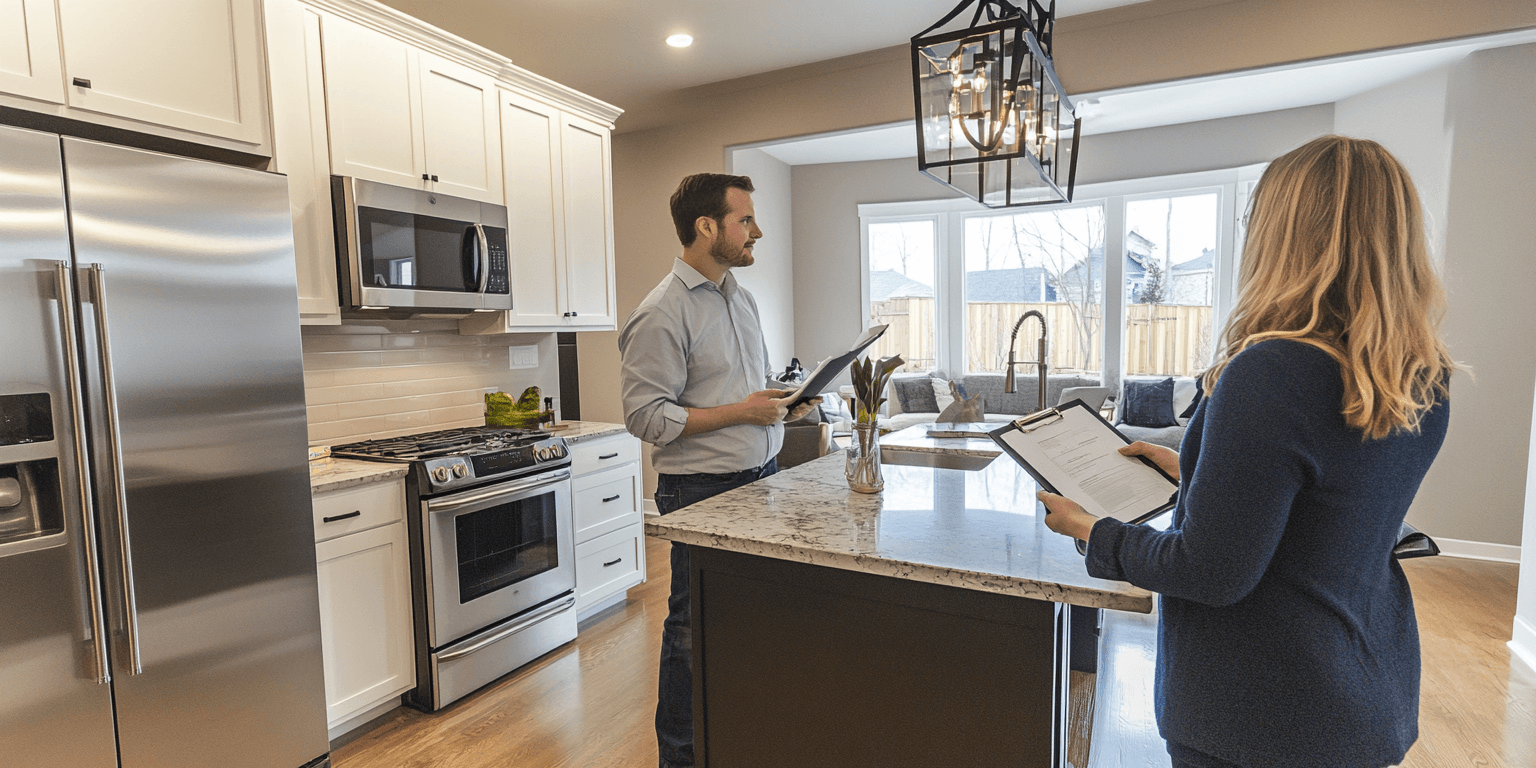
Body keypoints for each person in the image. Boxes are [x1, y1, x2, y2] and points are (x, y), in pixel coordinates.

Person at [1039, 135, 1459, 768]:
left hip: (1262, 709)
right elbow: (1329, 507)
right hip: (1365, 685)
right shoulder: (1418, 375)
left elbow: (1210, 573)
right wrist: (1198, 472)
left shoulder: (1273, 370)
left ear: (1287, 235)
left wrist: (1094, 531)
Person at [618, 172, 818, 768]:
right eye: (745, 220)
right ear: (706, 227)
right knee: (689, 631)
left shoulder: (739, 296)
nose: (757, 230)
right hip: (701, 490)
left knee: (750, 622)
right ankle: (679, 759)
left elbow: (736, 391)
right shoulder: (660, 313)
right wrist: (743, 412)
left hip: (763, 480)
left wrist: (784, 400)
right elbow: (645, 417)